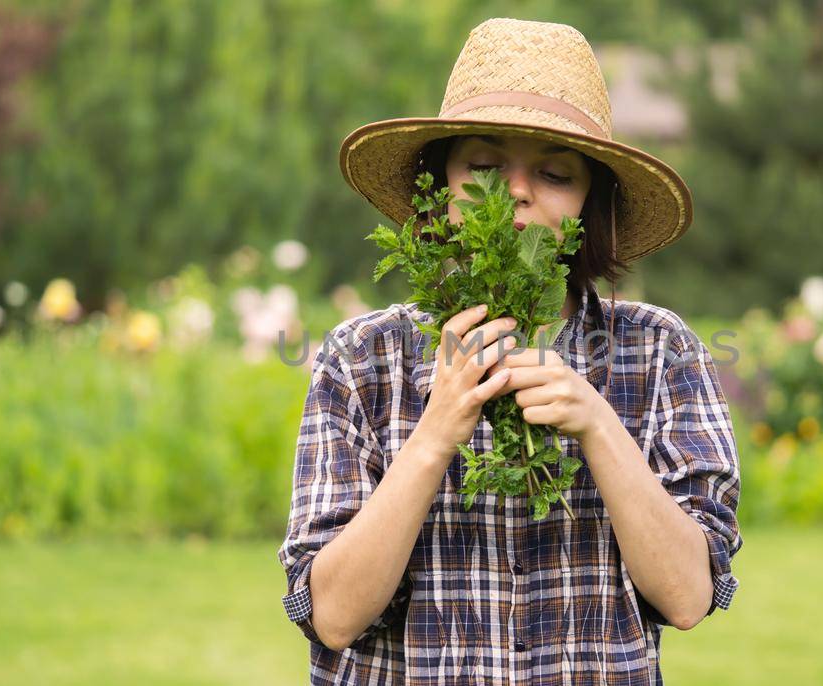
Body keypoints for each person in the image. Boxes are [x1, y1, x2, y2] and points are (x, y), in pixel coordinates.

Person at [278, 17, 742, 684]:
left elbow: (690, 597)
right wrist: (435, 435)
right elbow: (332, 616)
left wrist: (596, 424)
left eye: (555, 173)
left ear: (591, 204)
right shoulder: (361, 359)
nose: (518, 192)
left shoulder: (661, 352)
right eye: (486, 166)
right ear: (440, 188)